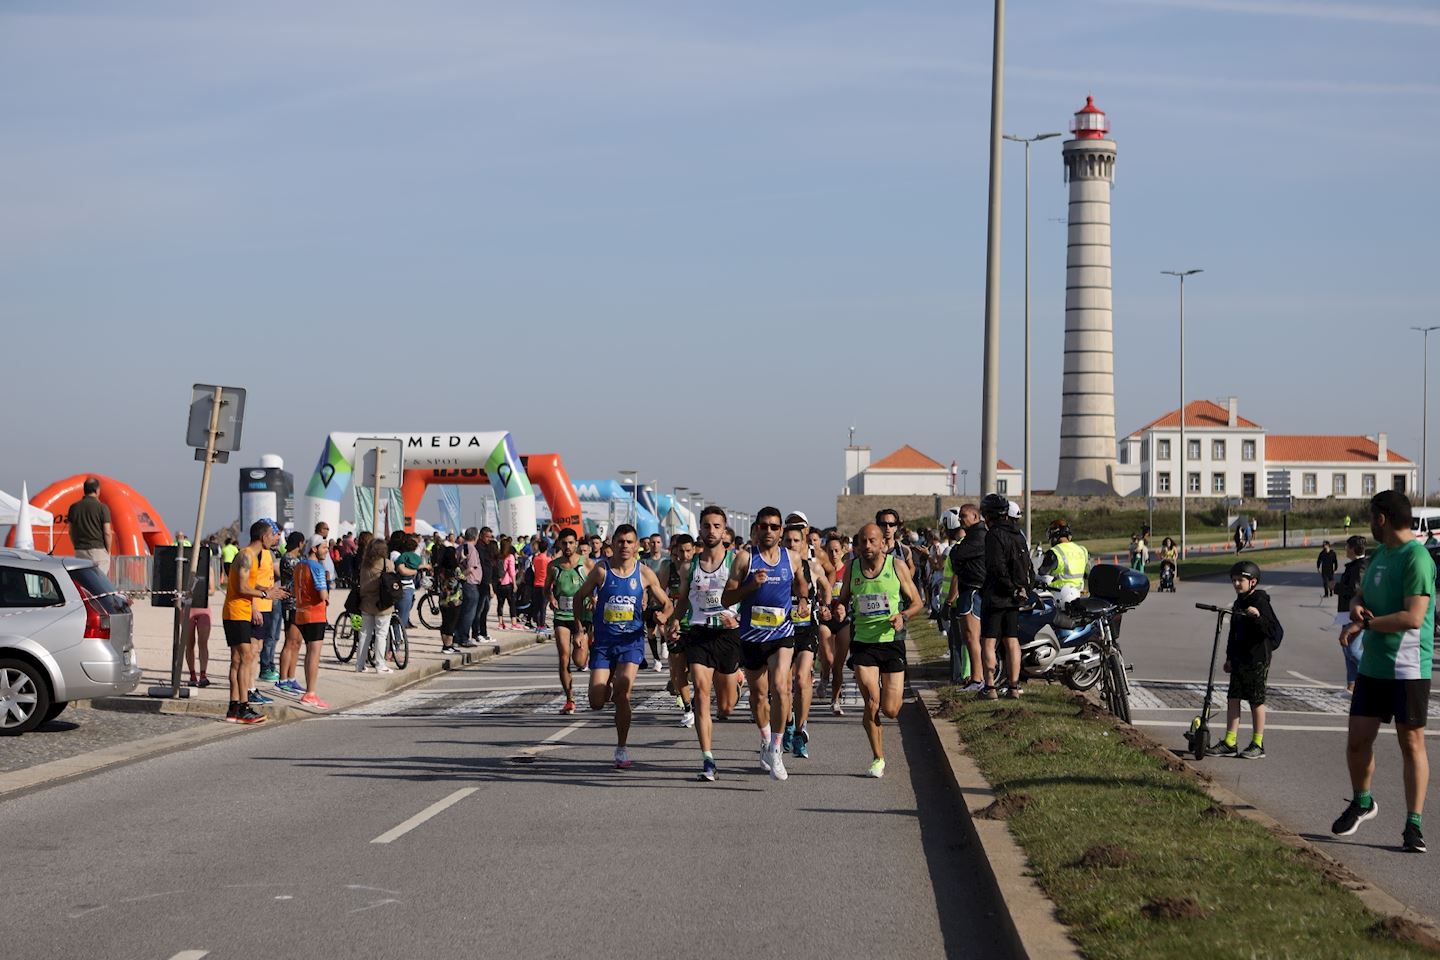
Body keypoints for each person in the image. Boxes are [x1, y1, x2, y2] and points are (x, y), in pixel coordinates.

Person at [1333, 491, 1433, 853]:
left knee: (1411, 743)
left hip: (1408, 667)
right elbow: (1362, 596)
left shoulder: (1416, 559)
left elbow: (1413, 617)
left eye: (1371, 516)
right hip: (1374, 666)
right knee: (1357, 739)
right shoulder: (1380, 556)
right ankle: (1362, 801)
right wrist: (1357, 610)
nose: (1370, 522)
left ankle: (1413, 825)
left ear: (1382, 519)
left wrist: (1368, 626)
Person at [572, 524, 672, 769]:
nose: (625, 546)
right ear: (613, 544)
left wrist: (664, 616)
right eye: (620, 542)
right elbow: (579, 597)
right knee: (596, 701)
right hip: (605, 643)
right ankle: (606, 686)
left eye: (630, 542)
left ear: (637, 546)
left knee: (623, 694)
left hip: (631, 642)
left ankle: (621, 747)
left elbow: (667, 603)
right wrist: (579, 629)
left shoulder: (645, 573)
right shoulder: (601, 571)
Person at [722, 506, 811, 782]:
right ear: (757, 529)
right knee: (759, 695)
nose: (769, 531)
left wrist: (804, 600)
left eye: (774, 526)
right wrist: (751, 587)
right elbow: (726, 599)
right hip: (751, 638)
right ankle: (764, 739)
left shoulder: (792, 558)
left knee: (782, 687)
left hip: (782, 635)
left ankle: (776, 748)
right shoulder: (744, 558)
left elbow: (801, 585)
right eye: (764, 526)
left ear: (781, 531)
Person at [838, 522, 923, 778]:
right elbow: (842, 600)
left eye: (872, 541)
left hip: (891, 641)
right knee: (872, 702)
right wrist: (838, 608)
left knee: (891, 709)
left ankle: (887, 692)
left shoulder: (896, 566)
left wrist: (903, 616)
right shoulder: (852, 568)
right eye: (862, 541)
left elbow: (918, 602)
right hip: (863, 642)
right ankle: (878, 757)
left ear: (882, 543)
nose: (867, 546)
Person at [673, 507, 744, 781]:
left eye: (717, 526)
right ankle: (708, 758)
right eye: (706, 526)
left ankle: (736, 682)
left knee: (725, 708)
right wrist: (675, 620)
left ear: (724, 531)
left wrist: (737, 618)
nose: (711, 530)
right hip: (699, 633)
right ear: (700, 530)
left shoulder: (736, 562)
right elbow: (682, 600)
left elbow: (747, 597)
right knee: (701, 693)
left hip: (727, 636)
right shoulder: (689, 567)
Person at [1215, 560, 1281, 759]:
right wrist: (1229, 658)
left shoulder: (1260, 602)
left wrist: (1258, 617)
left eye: (1240, 580)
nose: (1236, 584)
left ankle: (1257, 743)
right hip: (1239, 658)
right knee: (1233, 697)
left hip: (1257, 659)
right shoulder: (1238, 603)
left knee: (1256, 701)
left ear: (1252, 582)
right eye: (1234, 580)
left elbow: (1272, 630)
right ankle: (1230, 741)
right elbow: (1233, 633)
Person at [221, 520, 284, 723]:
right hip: (236, 612)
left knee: (238, 660)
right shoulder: (247, 555)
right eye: (271, 534)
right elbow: (241, 587)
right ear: (262, 536)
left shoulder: (252, 556)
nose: (274, 538)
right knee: (246, 657)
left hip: (241, 611)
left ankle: (234, 707)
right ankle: (243, 707)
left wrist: (268, 589)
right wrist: (265, 594)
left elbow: (248, 582)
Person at [783, 522, 831, 759]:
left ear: (803, 543)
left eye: (796, 541)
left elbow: (826, 588)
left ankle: (801, 731)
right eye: (788, 541)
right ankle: (789, 720)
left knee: (802, 679)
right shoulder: (778, 569)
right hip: (781, 631)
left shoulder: (812, 567)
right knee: (782, 684)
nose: (792, 545)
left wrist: (825, 607)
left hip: (806, 630)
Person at [979, 493, 1030, 700]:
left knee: (989, 642)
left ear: (988, 515)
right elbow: (1028, 566)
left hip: (997, 595)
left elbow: (996, 567)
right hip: (1016, 597)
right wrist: (1023, 589)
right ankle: (1013, 687)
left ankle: (990, 688)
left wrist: (1008, 587)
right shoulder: (1018, 534)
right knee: (1012, 641)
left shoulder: (993, 535)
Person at [280, 535, 331, 709]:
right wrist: (327, 596)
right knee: (314, 654)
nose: (327, 550)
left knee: (307, 652)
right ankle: (311, 692)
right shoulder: (317, 567)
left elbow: (293, 591)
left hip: (300, 613)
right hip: (315, 614)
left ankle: (308, 691)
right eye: (324, 547)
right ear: (314, 548)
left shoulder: (299, 566)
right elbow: (322, 594)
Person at [545, 528, 591, 714]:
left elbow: (597, 583)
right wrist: (550, 597)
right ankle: (570, 699)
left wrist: (593, 598)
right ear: (559, 544)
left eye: (571, 543)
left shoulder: (586, 563)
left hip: (582, 618)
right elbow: (547, 587)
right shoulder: (553, 566)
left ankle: (589, 652)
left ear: (576, 543)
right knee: (564, 656)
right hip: (562, 615)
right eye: (564, 543)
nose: (568, 546)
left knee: (579, 661)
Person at [945, 504, 988, 692]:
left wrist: (958, 555)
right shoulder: (975, 536)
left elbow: (957, 554)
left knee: (971, 637)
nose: (961, 519)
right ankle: (978, 677)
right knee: (970, 637)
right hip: (970, 590)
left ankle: (978, 678)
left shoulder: (977, 536)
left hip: (972, 590)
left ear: (975, 516)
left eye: (964, 516)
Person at [657, 534, 697, 726]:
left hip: (697, 624)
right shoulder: (668, 568)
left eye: (688, 550)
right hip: (675, 625)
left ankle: (696, 700)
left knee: (697, 670)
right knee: (677, 671)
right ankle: (688, 708)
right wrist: (664, 614)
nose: (684, 555)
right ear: (674, 551)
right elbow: (659, 594)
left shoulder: (700, 567)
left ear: (694, 550)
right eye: (680, 551)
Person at [822, 533, 853, 714]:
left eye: (836, 551)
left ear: (843, 551)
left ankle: (835, 700)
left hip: (843, 620)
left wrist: (845, 608)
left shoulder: (848, 570)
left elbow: (854, 594)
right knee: (828, 658)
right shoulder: (821, 570)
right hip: (825, 620)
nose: (833, 554)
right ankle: (824, 676)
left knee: (838, 665)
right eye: (830, 551)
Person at [355, 538, 396, 674]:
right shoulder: (387, 563)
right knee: (381, 634)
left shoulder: (364, 564)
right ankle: (380, 665)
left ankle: (359, 664)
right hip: (382, 604)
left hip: (366, 602)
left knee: (364, 634)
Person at [1335, 535, 1368, 693]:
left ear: (1353, 548)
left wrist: (1336, 587)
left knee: (1353, 650)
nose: (1345, 549)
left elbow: (1355, 590)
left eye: (1347, 546)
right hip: (1345, 612)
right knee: (1347, 650)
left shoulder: (1360, 566)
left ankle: (1370, 678)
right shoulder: (1354, 565)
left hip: (1354, 613)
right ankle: (1351, 685)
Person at [66, 477, 113, 573]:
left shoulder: (74, 507)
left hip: (80, 552)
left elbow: (71, 531)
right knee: (99, 583)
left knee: (84, 583)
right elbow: (107, 532)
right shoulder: (102, 508)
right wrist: (108, 551)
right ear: (97, 490)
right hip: (98, 551)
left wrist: (76, 545)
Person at [181, 552, 213, 688]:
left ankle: (203, 674)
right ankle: (192, 674)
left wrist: (200, 590)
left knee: (203, 642)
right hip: (187, 608)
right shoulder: (184, 568)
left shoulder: (208, 569)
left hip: (203, 607)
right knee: (189, 643)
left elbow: (212, 590)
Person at [1037, 518, 1088, 593]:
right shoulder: (1082, 550)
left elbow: (1042, 574)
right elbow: (1087, 574)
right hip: (1078, 594)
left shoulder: (1054, 552)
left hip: (1058, 595)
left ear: (1054, 535)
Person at [455, 527, 487, 647]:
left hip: (464, 584)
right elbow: (471, 567)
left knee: (463, 611)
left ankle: (458, 636)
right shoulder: (471, 548)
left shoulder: (460, 547)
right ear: (476, 536)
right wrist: (462, 576)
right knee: (469, 613)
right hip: (470, 583)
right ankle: (464, 638)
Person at [530, 540, 551, 633]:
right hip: (545, 584)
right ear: (547, 548)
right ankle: (542, 625)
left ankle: (538, 625)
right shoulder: (548, 560)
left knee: (537, 606)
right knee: (543, 607)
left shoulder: (536, 559)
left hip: (536, 584)